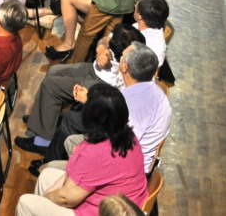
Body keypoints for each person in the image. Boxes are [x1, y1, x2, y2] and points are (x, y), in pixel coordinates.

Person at [37, 42, 171, 175]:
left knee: (73, 121)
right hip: (129, 153)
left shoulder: (134, 104)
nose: (119, 58)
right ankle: (53, 164)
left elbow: (119, 142)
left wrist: (90, 104)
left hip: (124, 166)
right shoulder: (151, 90)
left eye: (122, 56)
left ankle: (52, 169)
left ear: (125, 67)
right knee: (73, 122)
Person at [16, 84, 149, 216]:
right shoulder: (128, 136)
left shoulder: (96, 151)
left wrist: (44, 199)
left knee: (25, 203)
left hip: (109, 211)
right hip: (128, 203)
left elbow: (67, 198)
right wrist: (45, 199)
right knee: (46, 175)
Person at [18, 26, 145, 156]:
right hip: (95, 70)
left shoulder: (131, 59)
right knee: (53, 70)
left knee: (51, 86)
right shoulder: (127, 37)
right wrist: (101, 50)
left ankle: (43, 142)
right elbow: (104, 40)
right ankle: (44, 119)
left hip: (103, 84)